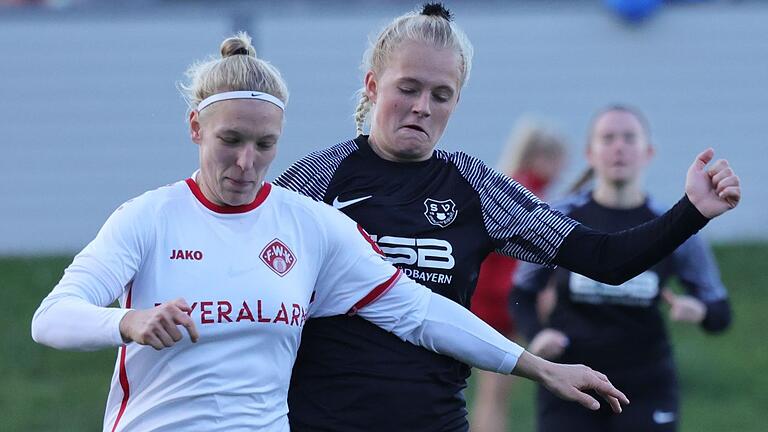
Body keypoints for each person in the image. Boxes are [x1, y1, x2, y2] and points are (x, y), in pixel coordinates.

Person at [30, 32, 632, 432]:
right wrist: (126, 321)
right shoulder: (148, 218)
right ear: (195, 128)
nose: (246, 163)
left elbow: (419, 311)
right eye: (230, 141)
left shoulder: (309, 223)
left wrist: (538, 367)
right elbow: (51, 318)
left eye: (264, 145)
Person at [273, 3, 740, 431]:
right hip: (322, 419)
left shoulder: (475, 187)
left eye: (442, 94)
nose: (422, 107)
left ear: (457, 101)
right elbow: (239, 251)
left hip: (434, 420)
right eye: (408, 88)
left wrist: (692, 210)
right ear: (374, 86)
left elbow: (605, 258)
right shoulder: (317, 180)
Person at [510, 105, 733, 432]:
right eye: (608, 138)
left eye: (629, 138)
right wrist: (538, 333)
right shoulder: (559, 218)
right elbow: (521, 292)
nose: (618, 147)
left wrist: (699, 310)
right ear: (590, 153)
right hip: (571, 382)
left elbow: (721, 312)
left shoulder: (674, 226)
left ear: (648, 153)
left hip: (645, 385)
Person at [469, 122, 567, 432]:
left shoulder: (511, 185)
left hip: (491, 298)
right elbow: (516, 261)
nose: (561, 169)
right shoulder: (527, 193)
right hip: (499, 303)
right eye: (557, 160)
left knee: (494, 390)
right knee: (494, 391)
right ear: (540, 157)